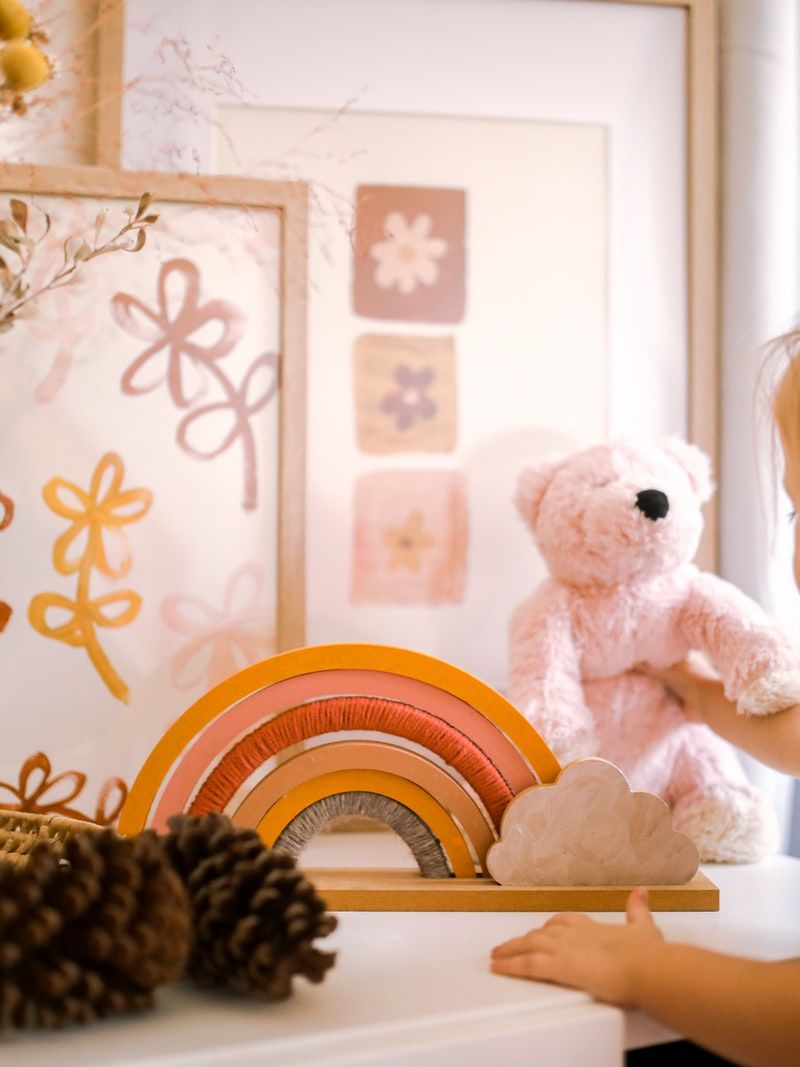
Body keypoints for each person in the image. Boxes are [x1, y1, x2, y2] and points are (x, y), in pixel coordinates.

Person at [490, 328, 800, 1067]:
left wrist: (637, 967)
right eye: (795, 510)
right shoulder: (554, 610)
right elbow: (791, 737)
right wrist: (687, 684)